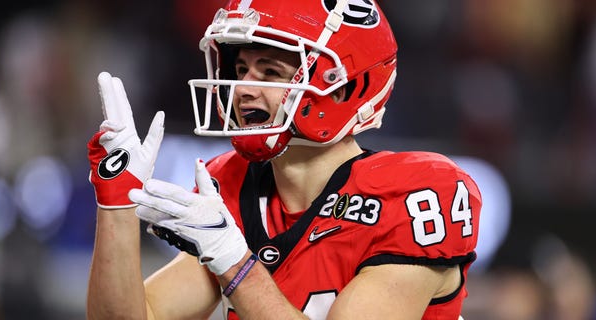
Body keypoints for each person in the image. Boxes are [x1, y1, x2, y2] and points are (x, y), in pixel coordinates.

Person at [86, 0, 482, 319]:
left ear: (341, 90)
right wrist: (117, 202)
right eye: (241, 69)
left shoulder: (415, 195)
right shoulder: (235, 184)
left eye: (270, 72)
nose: (243, 89)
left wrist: (235, 262)